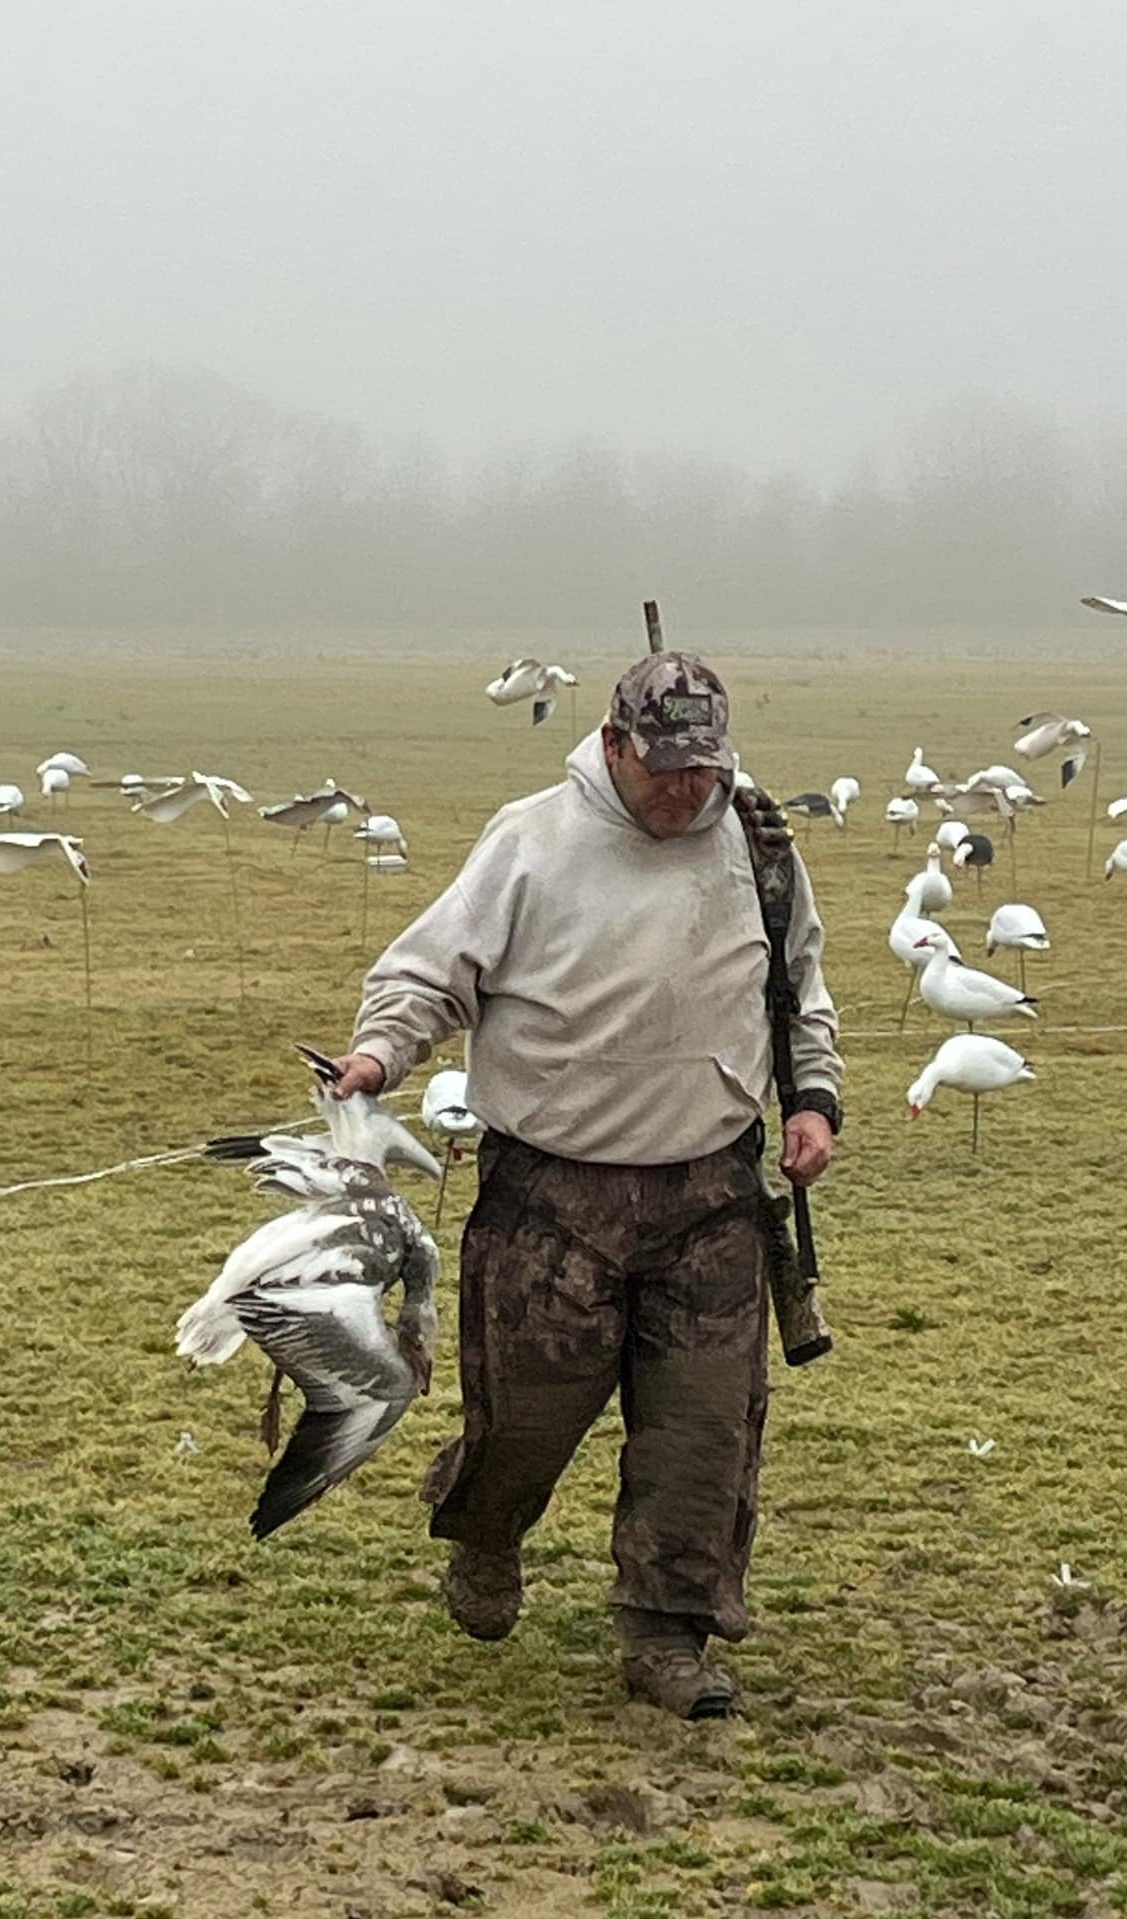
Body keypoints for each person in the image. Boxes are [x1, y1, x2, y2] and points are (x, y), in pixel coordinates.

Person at [328, 653, 843, 1719]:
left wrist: (814, 1102)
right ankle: (484, 1533)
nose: (684, 790)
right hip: (551, 1196)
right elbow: (429, 971)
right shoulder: (530, 840)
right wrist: (380, 1057)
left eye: (703, 770)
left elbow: (800, 990)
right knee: (523, 1417)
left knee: (705, 1430)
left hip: (711, 1190)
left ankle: (669, 1635)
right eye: (664, 769)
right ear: (613, 744)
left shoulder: (758, 848)